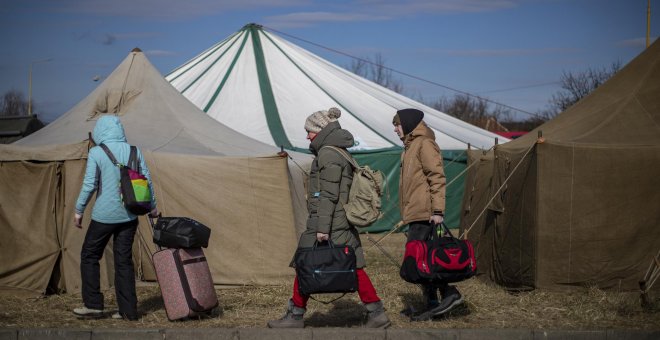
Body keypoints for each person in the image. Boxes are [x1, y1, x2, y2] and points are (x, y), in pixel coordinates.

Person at [268, 107, 390, 329]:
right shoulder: (335, 150)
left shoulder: (328, 153)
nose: (307, 136)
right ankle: (376, 313)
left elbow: (329, 195)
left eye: (309, 131)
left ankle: (295, 316)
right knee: (350, 264)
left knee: (306, 262)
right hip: (336, 219)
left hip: (330, 220)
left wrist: (322, 227)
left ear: (320, 130)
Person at [72, 115, 157, 321]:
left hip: (103, 216)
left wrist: (79, 209)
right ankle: (128, 311)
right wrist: (152, 207)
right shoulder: (135, 151)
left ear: (100, 131)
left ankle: (93, 305)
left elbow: (90, 184)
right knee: (124, 261)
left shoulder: (96, 152)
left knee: (90, 255)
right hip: (129, 215)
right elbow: (146, 180)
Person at [393, 108, 463, 320]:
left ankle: (450, 293)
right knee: (423, 261)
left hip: (427, 214)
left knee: (420, 261)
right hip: (415, 213)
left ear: (407, 124)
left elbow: (437, 177)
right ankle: (433, 303)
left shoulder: (425, 144)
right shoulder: (410, 146)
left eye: (397, 125)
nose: (395, 129)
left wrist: (438, 211)